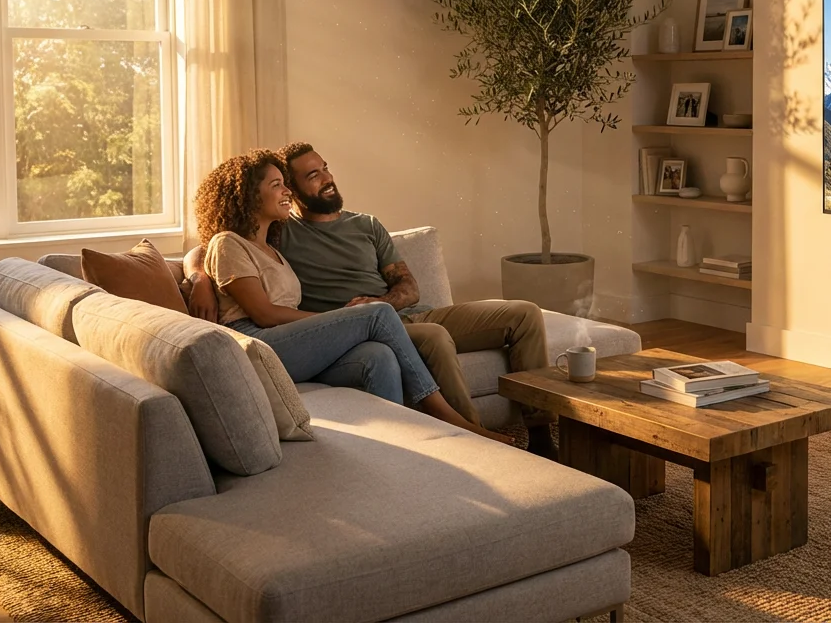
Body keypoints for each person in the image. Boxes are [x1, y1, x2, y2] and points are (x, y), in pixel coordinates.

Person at [186, 143, 555, 455]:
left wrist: (378, 305)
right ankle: (460, 430)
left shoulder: (352, 227)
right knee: (407, 329)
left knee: (522, 313)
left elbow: (410, 287)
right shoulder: (284, 234)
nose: (326, 178)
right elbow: (214, 248)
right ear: (285, 192)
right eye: (309, 176)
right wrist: (199, 277)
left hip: (396, 316)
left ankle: (409, 454)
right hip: (318, 330)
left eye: (325, 169)